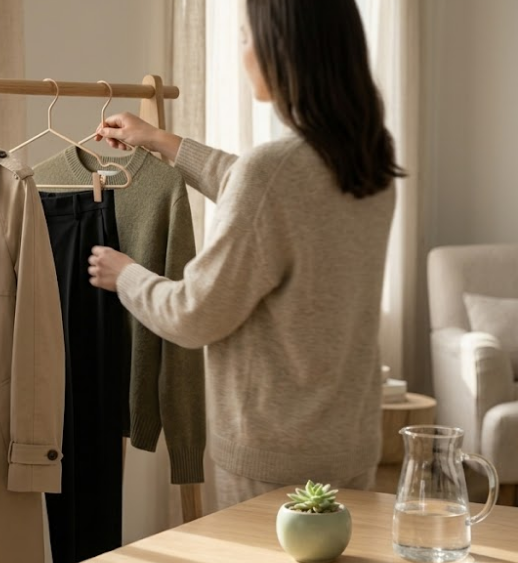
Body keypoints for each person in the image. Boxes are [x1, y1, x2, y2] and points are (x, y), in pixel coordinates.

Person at [88, 0, 403, 509]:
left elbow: (193, 315)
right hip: (350, 441)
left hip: (276, 460)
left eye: (242, 36)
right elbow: (266, 192)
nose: (240, 52)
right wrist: (162, 142)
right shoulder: (370, 159)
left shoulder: (273, 173)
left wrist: (125, 275)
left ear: (280, 49)